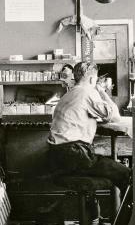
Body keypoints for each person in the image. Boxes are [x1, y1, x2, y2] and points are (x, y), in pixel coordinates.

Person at [46, 61, 130, 192]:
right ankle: (132, 212)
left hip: (56, 157)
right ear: (92, 79)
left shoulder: (68, 94)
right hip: (74, 155)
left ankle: (94, 210)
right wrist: (102, 91)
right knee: (127, 174)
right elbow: (115, 116)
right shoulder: (87, 92)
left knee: (112, 169)